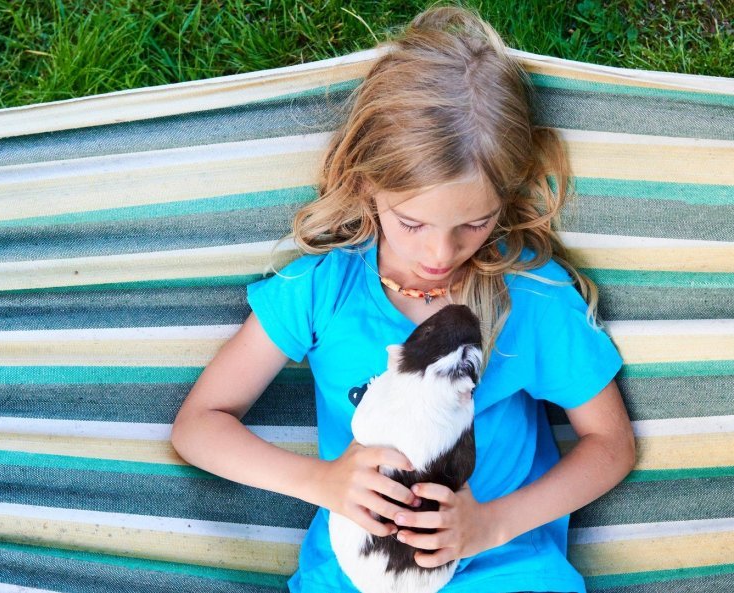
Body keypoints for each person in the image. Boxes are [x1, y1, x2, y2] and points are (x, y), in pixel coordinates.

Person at [171, 4, 636, 592]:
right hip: (352, 575)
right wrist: (322, 482)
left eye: (476, 223)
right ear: (368, 183)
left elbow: (611, 445)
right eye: (412, 223)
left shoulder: (532, 294)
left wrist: (488, 525)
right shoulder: (321, 290)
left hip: (506, 569)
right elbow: (197, 426)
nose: (441, 252)